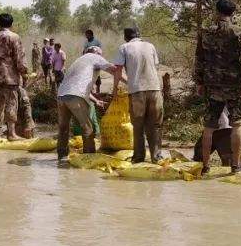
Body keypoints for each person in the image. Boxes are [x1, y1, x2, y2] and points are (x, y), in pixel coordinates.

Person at [194, 0, 241, 174]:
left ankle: (205, 166)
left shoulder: (205, 32)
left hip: (212, 85)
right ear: (232, 13)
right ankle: (235, 165)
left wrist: (200, 82)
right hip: (234, 85)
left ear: (216, 11)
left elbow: (199, 59)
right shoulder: (238, 32)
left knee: (209, 126)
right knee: (237, 124)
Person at [56, 46, 116, 161]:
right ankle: (89, 157)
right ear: (96, 53)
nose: (101, 57)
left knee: (63, 128)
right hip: (75, 97)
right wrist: (128, 81)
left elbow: (77, 87)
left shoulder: (79, 61)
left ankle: (62, 157)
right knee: (87, 128)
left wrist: (97, 101)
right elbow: (113, 69)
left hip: (62, 96)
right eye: (101, 54)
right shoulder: (94, 57)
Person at [113, 26, 163, 164]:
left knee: (138, 126)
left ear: (125, 37)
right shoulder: (150, 46)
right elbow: (155, 65)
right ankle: (157, 157)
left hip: (136, 91)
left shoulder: (124, 47)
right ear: (139, 35)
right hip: (155, 89)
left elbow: (117, 70)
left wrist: (115, 88)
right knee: (155, 125)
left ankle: (139, 157)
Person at [0, 13, 28, 140]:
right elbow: (20, 59)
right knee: (11, 104)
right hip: (10, 78)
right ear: (11, 24)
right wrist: (24, 73)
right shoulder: (14, 37)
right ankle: (11, 133)